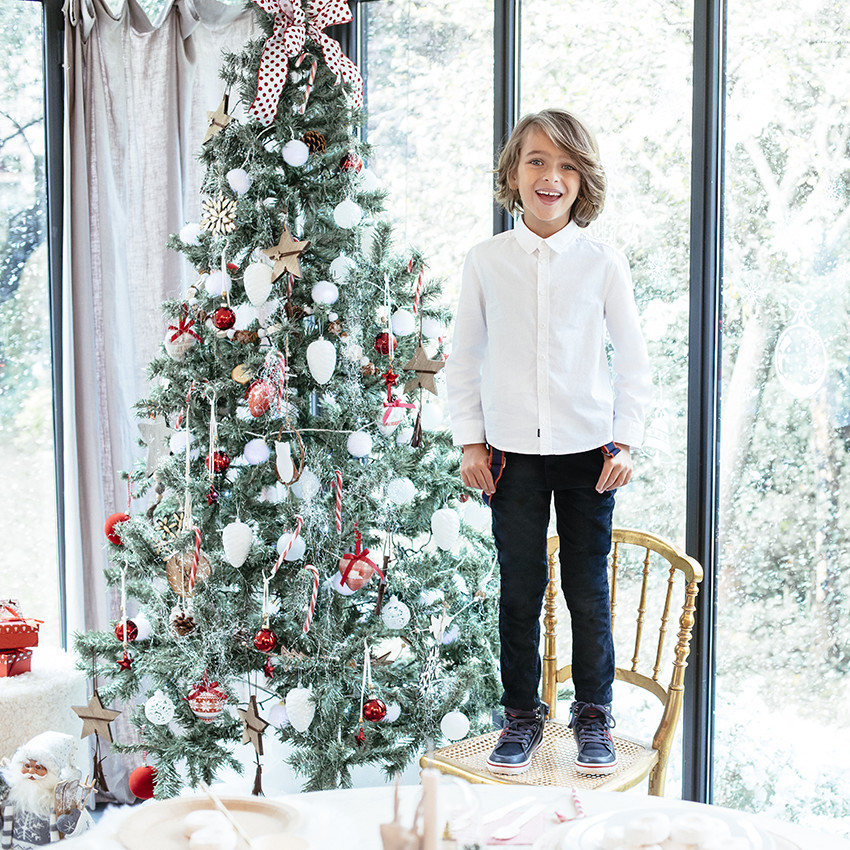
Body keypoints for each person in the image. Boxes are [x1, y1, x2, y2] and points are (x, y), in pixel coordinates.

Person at [445, 108, 652, 776]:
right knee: (519, 590)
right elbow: (463, 357)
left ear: (582, 178)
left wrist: (626, 442)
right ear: (513, 172)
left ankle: (593, 715)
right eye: (536, 160)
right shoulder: (486, 261)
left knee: (587, 591)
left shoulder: (601, 262)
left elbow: (635, 359)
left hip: (591, 453)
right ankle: (521, 716)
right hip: (509, 455)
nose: (550, 176)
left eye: (565, 164)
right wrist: (470, 442)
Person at [0, 731, 92, 848]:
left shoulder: (55, 801)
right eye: (27, 766)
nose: (31, 772)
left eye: (38, 767)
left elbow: (57, 834)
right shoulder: (14, 795)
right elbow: (7, 826)